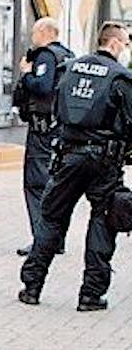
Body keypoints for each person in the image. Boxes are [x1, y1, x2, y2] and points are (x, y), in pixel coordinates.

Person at [19, 22, 132, 312]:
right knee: (103, 223)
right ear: (116, 44)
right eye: (126, 44)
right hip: (105, 161)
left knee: (52, 218)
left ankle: (31, 287)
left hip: (68, 156)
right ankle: (90, 296)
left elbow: (55, 107)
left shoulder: (70, 68)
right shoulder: (121, 77)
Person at [12, 17, 71, 256]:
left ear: (46, 32)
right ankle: (57, 239)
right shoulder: (68, 56)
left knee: (36, 184)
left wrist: (26, 74)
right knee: (57, 185)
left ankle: (42, 240)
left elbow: (42, 86)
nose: (32, 38)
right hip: (61, 131)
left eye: (35, 33)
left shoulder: (46, 55)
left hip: (42, 130)